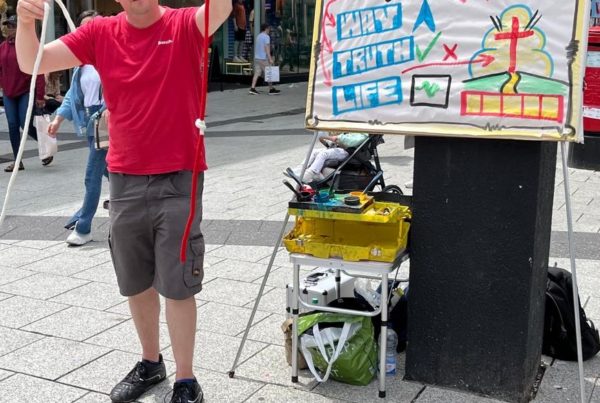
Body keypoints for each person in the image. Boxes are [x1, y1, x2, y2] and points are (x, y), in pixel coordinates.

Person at [16, 0, 231, 401]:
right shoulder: (101, 32)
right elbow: (34, 64)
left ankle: (186, 379)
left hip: (178, 175)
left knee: (179, 282)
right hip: (125, 177)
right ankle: (151, 362)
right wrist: (26, 22)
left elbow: (219, 10)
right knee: (135, 279)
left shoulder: (184, 24)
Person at [47, 10, 106, 247]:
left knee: (92, 173)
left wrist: (107, 109)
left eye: (93, 26)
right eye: (83, 27)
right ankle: (140, 199)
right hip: (90, 120)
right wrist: (58, 118)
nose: (88, 31)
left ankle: (83, 227)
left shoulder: (110, 55)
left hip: (108, 121)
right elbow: (73, 93)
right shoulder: (81, 61)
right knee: (109, 169)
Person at [0, 15, 51, 172]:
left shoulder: (28, 46)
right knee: (13, 125)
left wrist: (40, 95)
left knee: (24, 124)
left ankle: (47, 146)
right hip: (8, 93)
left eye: (13, 26)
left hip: (24, 91)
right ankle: (17, 161)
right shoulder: (2, 47)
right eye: (8, 26)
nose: (10, 29)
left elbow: (39, 71)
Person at [285, 132, 369, 182]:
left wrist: (336, 138)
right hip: (338, 147)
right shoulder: (353, 131)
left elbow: (350, 142)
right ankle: (300, 169)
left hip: (348, 152)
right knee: (314, 151)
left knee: (324, 154)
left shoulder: (363, 135)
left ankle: (310, 174)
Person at [249, 23, 280, 95]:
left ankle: (252, 88)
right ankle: (271, 89)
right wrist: (270, 58)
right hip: (263, 58)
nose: (269, 30)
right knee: (269, 72)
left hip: (257, 58)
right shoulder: (266, 37)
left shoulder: (258, 36)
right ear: (266, 29)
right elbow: (267, 48)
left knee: (257, 73)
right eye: (269, 28)